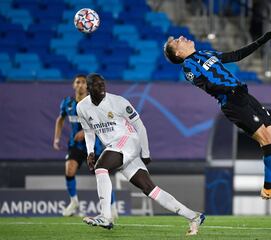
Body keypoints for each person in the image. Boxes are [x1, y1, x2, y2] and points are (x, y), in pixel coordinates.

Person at [163, 32, 271, 203]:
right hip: (232, 102)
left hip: (244, 95)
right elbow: (207, 85)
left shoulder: (206, 54)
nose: (182, 37)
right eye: (177, 41)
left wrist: (262, 39)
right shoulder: (188, 66)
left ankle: (268, 188)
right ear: (178, 53)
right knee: (266, 141)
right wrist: (227, 88)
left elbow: (236, 55)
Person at [77, 73, 205, 235]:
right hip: (115, 148)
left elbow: (140, 125)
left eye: (103, 83)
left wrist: (145, 151)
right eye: (97, 85)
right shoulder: (81, 107)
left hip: (127, 140)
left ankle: (105, 216)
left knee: (101, 168)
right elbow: (88, 132)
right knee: (150, 189)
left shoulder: (118, 101)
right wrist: (89, 153)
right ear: (88, 88)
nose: (102, 87)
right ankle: (194, 216)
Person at [53, 74, 117, 217]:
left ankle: (112, 207)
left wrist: (86, 130)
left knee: (101, 175)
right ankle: (73, 202)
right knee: (69, 170)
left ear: (87, 86)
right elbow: (60, 119)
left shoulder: (95, 102)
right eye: (77, 82)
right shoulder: (67, 103)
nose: (80, 84)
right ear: (73, 85)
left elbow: (104, 121)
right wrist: (56, 139)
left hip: (95, 145)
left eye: (83, 82)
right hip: (75, 145)